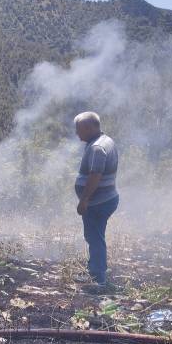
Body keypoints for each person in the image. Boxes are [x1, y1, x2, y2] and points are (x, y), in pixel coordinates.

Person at [74, 112, 119, 293]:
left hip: (98, 202)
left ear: (89, 127)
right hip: (105, 199)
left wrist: (84, 200)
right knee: (94, 237)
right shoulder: (105, 141)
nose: (77, 134)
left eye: (78, 130)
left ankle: (98, 280)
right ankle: (94, 272)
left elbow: (95, 176)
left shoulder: (97, 148)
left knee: (95, 238)